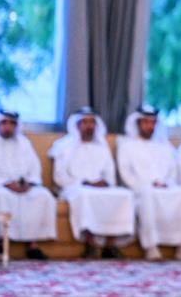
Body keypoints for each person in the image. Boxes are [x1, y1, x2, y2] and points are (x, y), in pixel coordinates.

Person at [49, 107, 135, 259]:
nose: (89, 126)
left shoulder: (102, 147)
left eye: (92, 122)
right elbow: (60, 177)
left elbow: (109, 173)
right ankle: (90, 244)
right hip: (75, 187)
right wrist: (84, 183)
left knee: (124, 195)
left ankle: (110, 245)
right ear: (77, 125)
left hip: (101, 187)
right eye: (85, 122)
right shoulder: (64, 146)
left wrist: (105, 182)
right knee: (85, 196)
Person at [117, 107, 181, 262]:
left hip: (165, 187)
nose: (150, 126)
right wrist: (144, 186)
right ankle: (151, 247)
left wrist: (166, 183)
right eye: (146, 122)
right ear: (138, 123)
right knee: (148, 194)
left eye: (153, 123)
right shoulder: (127, 146)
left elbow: (172, 171)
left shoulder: (164, 147)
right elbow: (125, 173)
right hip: (142, 189)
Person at [0, 109, 56, 259]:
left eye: (12, 123)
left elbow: (34, 167)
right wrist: (5, 183)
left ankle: (33, 245)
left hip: (23, 186)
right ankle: (1, 242)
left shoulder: (25, 143)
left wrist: (29, 183)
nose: (8, 127)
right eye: (4, 123)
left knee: (43, 195)